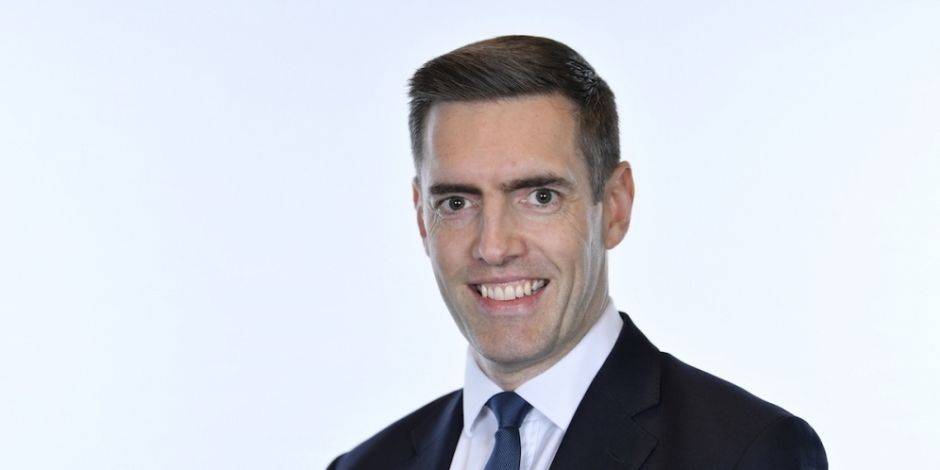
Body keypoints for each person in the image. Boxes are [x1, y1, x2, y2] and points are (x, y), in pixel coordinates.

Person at [329, 35, 827, 470]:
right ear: (421, 216)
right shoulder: (364, 465)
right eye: (457, 203)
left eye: (540, 196)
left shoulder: (745, 453)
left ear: (615, 206)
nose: (494, 247)